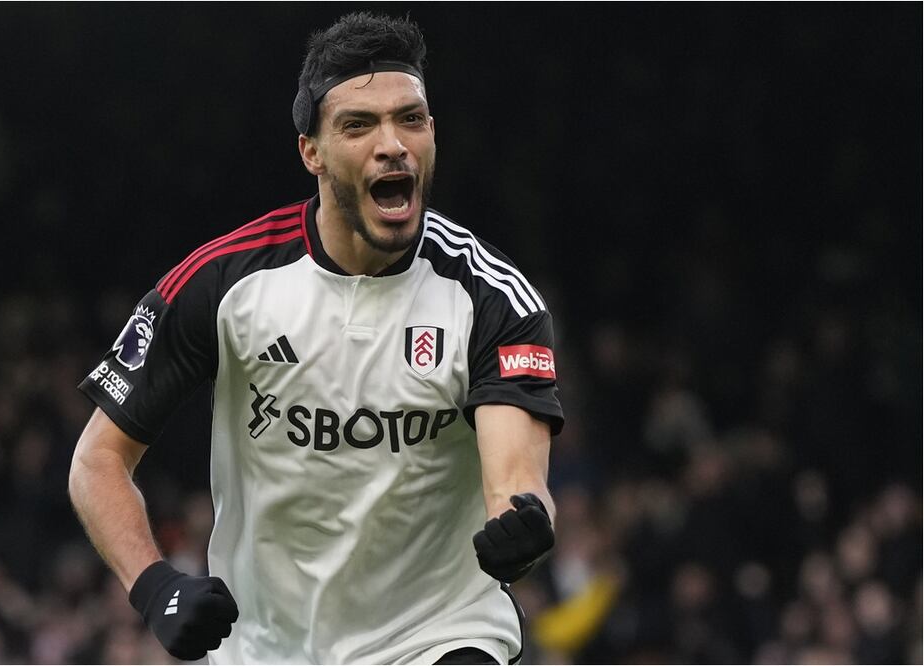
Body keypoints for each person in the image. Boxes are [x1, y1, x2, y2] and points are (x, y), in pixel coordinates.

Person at [69, 12, 563, 665]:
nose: (393, 144)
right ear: (312, 152)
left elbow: (516, 481)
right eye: (358, 125)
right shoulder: (225, 283)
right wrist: (155, 586)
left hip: (438, 633)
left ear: (432, 133)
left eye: (410, 119)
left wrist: (521, 524)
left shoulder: (492, 297)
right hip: (266, 647)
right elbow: (96, 462)